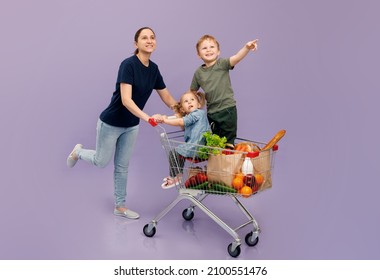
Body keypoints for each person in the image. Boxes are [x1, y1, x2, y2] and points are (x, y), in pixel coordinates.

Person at [66, 27, 177, 219]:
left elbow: (166, 97)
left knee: (122, 166)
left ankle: (120, 206)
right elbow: (126, 100)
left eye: (152, 37)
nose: (149, 41)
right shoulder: (128, 65)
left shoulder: (154, 69)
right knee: (101, 162)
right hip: (111, 122)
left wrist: (183, 112)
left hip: (131, 126)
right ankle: (78, 152)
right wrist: (147, 117)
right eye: (144, 38)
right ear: (136, 44)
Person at [190, 34, 258, 146]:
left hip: (227, 110)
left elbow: (237, 57)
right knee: (217, 144)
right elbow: (192, 92)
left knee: (228, 143)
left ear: (218, 51)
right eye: (204, 48)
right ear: (198, 54)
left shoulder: (222, 64)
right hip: (212, 113)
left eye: (212, 47)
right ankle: (220, 162)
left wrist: (246, 48)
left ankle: (229, 161)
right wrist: (194, 104)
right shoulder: (198, 73)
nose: (209, 50)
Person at [160, 91, 210, 189]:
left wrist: (165, 120)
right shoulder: (191, 116)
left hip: (196, 147)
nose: (190, 102)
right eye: (186, 101)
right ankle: (178, 176)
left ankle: (175, 176)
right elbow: (182, 120)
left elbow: (180, 121)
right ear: (183, 108)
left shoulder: (198, 113)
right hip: (196, 147)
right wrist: (170, 117)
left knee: (174, 153)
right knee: (179, 153)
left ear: (199, 104)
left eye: (192, 100)